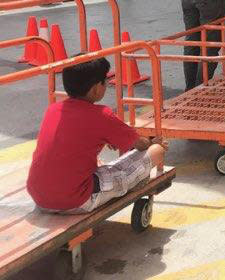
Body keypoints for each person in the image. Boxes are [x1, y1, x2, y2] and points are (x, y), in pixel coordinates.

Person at [26, 58, 167, 214]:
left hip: (39, 195)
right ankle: (136, 180)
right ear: (95, 89)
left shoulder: (53, 109)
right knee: (157, 150)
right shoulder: (101, 114)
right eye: (104, 82)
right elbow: (140, 144)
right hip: (75, 199)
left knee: (97, 164)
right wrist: (152, 141)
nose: (106, 85)